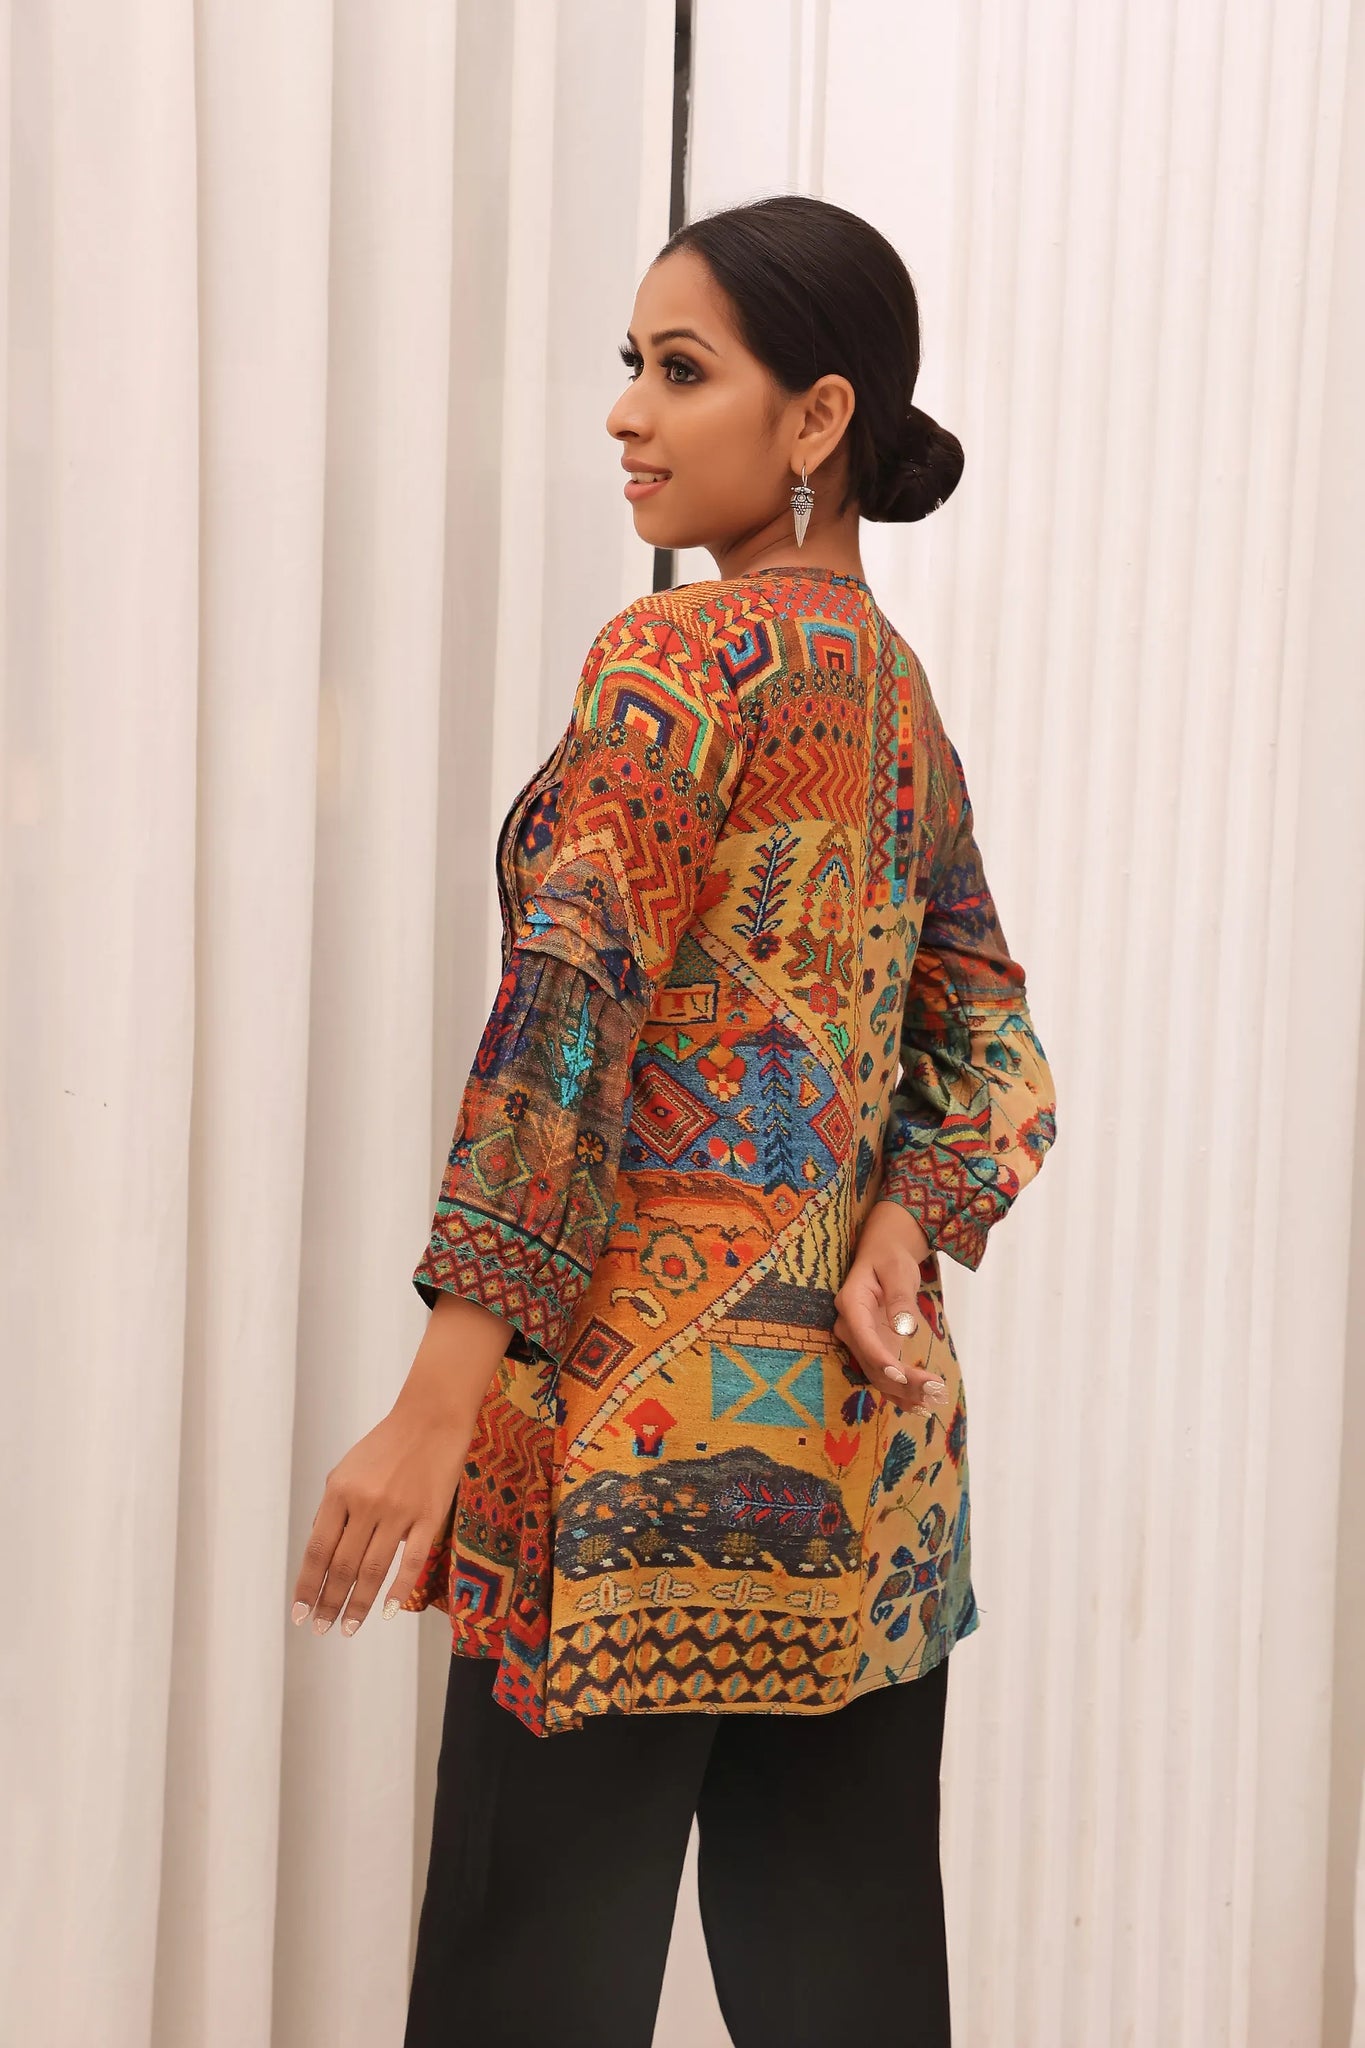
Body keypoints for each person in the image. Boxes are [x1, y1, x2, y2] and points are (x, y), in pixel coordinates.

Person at [290, 193, 1058, 2047]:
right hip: (857, 1476)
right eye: (630, 365)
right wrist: (901, 1225)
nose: (627, 411)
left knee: (522, 2001)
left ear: (816, 418)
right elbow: (994, 1052)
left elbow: (564, 1030)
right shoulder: (897, 700)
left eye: (680, 370)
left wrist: (435, 1405)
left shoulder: (676, 659)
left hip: (623, 1467)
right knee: (847, 1998)